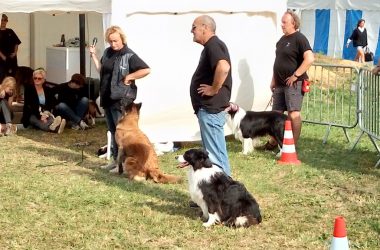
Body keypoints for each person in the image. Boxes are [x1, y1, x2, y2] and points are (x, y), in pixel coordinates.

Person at [89, 25, 150, 170]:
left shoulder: (129, 55)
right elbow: (101, 70)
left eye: (115, 41)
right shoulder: (108, 53)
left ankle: (122, 164)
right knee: (112, 131)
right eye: (110, 41)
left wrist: (130, 76)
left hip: (121, 99)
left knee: (122, 134)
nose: (113, 44)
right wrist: (93, 55)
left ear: (122, 38)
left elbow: (146, 69)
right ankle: (115, 161)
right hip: (108, 97)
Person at [263, 10, 314, 150]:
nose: (282, 25)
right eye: (282, 22)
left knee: (293, 113)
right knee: (276, 115)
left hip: (294, 83)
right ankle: (273, 142)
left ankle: (291, 146)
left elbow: (310, 58)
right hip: (279, 83)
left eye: (284, 22)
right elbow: (278, 61)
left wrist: (296, 75)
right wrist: (273, 79)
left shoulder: (300, 38)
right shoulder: (281, 40)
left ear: (293, 23)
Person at [189, 15, 232, 176]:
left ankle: (225, 194)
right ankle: (215, 195)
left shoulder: (213, 45)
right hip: (207, 109)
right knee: (212, 153)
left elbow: (223, 67)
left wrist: (214, 89)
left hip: (211, 109)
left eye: (193, 27)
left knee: (216, 155)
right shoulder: (211, 46)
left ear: (205, 28)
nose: (191, 31)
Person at [21, 68, 66, 133]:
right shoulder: (29, 89)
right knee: (42, 124)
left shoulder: (48, 90)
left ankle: (55, 125)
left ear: (44, 80)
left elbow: (52, 102)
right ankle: (56, 128)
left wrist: (46, 113)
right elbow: (29, 105)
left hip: (45, 112)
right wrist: (40, 116)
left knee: (50, 120)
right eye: (35, 78)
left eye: (39, 78)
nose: (37, 80)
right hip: (32, 113)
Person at [0, 14, 21, 82]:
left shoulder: (10, 31)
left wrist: (15, 53)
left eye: (5, 20)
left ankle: (12, 92)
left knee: (12, 77)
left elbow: (16, 43)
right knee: (2, 77)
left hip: (11, 59)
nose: (3, 22)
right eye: (2, 20)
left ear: (7, 21)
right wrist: (2, 56)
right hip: (1, 60)